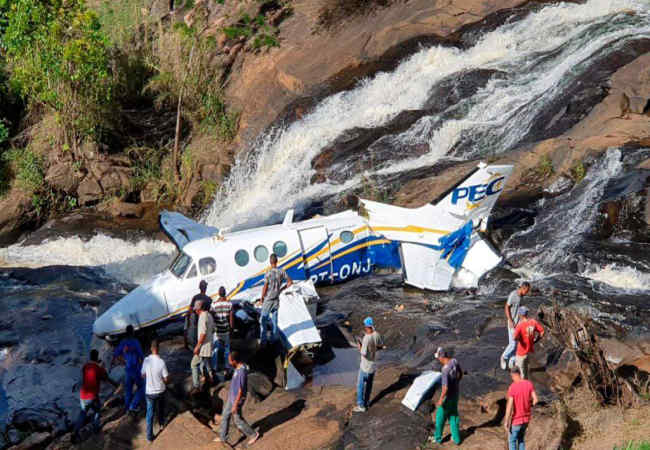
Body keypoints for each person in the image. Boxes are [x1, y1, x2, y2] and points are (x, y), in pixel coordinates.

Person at [72, 349, 118, 443]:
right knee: (97, 411)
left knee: (82, 414)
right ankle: (96, 428)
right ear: (97, 357)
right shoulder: (98, 368)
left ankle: (75, 432)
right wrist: (102, 367)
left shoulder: (85, 367)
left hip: (83, 396)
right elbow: (105, 377)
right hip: (93, 396)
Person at [214, 351, 260, 446]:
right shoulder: (237, 368)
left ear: (234, 361)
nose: (229, 362)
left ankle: (253, 434)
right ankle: (223, 437)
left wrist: (235, 404)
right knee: (225, 415)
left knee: (237, 419)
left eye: (230, 361)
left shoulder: (241, 372)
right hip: (232, 397)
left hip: (236, 399)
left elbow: (240, 390)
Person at [259, 253, 292, 347]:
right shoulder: (282, 271)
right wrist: (282, 289)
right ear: (277, 261)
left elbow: (265, 287)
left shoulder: (268, 273)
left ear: (270, 262)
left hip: (268, 300)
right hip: (276, 299)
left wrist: (262, 298)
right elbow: (290, 282)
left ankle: (263, 340)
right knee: (274, 320)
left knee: (263, 320)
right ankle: (274, 338)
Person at [353, 317, 385, 413]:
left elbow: (363, 353)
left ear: (367, 326)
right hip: (373, 366)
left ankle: (361, 406)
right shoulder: (377, 334)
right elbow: (380, 346)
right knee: (369, 386)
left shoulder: (366, 338)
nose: (364, 328)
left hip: (365, 367)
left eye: (365, 326)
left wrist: (359, 346)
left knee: (360, 386)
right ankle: (366, 402)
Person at [112, 325, 144, 414]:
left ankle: (126, 408)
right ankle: (133, 406)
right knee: (142, 387)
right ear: (132, 332)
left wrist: (123, 361)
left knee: (128, 390)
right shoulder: (135, 342)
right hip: (136, 369)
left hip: (128, 369)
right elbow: (141, 356)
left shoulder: (123, 342)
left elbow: (115, 354)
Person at [433, 347, 462, 445]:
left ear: (442, 357)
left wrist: (440, 399)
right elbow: (460, 374)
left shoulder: (445, 370)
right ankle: (456, 439)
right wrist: (456, 383)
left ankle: (437, 439)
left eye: (438, 357)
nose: (438, 359)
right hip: (456, 395)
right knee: (453, 416)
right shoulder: (454, 361)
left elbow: (445, 388)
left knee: (439, 418)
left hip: (447, 397)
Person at [504, 366, 538, 450]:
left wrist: (506, 421)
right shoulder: (529, 383)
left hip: (517, 420)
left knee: (512, 440)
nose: (512, 379)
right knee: (521, 439)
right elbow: (536, 400)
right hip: (526, 419)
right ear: (520, 373)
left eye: (511, 377)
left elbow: (509, 406)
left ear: (513, 375)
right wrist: (528, 405)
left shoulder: (513, 387)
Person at [141, 339, 169, 443]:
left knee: (150, 413)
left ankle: (149, 437)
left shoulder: (146, 360)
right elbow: (166, 379)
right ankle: (162, 424)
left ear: (151, 349)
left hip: (149, 393)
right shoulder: (161, 362)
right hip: (160, 391)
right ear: (158, 349)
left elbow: (142, 375)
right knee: (161, 408)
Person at [501, 282, 531, 370]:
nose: (527, 293)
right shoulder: (513, 295)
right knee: (513, 344)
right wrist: (510, 321)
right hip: (512, 323)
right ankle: (503, 357)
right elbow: (506, 307)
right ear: (523, 288)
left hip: (518, 323)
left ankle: (511, 363)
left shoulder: (522, 296)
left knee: (517, 344)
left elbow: (520, 308)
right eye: (527, 291)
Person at [513, 306, 544, 379]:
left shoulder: (519, 325)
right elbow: (542, 332)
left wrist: (520, 339)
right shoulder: (533, 322)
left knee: (520, 374)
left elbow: (514, 338)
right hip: (528, 351)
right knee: (526, 371)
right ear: (526, 314)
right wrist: (536, 340)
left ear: (520, 315)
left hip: (520, 352)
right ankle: (526, 385)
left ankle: (523, 388)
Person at [191, 299, 215, 392]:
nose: (195, 311)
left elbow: (203, 334)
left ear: (198, 309)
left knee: (193, 364)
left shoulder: (202, 317)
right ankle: (210, 378)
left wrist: (198, 346)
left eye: (195, 309)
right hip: (209, 344)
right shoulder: (209, 315)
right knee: (206, 364)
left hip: (204, 347)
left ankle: (196, 386)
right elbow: (212, 330)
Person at [211, 286, 234, 373]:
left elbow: (212, 317)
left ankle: (214, 367)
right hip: (226, 331)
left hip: (217, 331)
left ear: (218, 294)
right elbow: (231, 319)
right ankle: (227, 367)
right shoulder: (229, 304)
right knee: (227, 350)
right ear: (225, 293)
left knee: (215, 349)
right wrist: (231, 330)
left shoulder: (214, 305)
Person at [185, 280, 212, 351]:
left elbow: (190, 310)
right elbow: (209, 312)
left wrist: (188, 321)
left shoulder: (195, 297)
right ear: (206, 288)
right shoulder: (209, 299)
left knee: (195, 337)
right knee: (203, 336)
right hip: (204, 321)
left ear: (199, 288)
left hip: (196, 321)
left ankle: (195, 349)